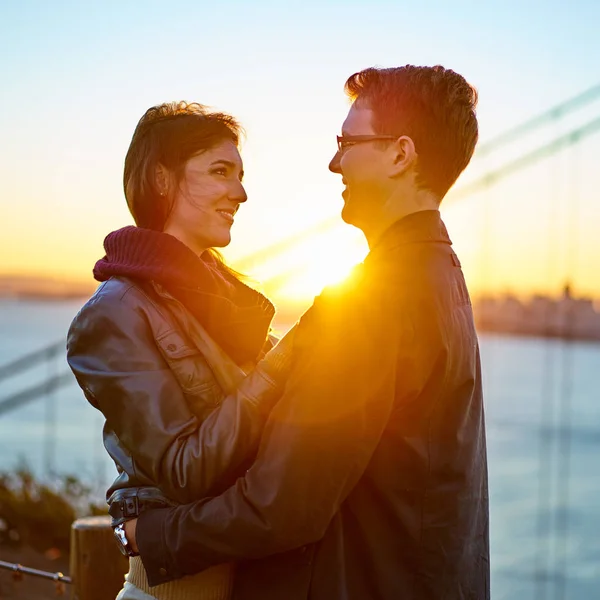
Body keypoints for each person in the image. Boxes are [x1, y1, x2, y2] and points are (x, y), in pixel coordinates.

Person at [126, 65, 490, 600]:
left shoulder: (376, 299)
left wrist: (145, 534)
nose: (334, 160)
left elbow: (281, 504)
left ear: (399, 153)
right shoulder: (443, 276)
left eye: (348, 141)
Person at [67, 101, 295, 600]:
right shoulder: (112, 315)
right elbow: (186, 469)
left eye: (240, 175)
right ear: (162, 180)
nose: (241, 192)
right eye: (220, 172)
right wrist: (288, 361)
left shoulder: (225, 303)